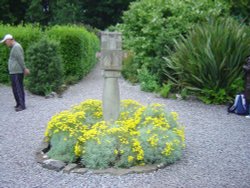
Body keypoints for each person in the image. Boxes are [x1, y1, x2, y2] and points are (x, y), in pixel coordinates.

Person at [0, 34, 27, 112]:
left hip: (17, 72)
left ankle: (22, 105)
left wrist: (24, 68)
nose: (5, 44)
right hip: (14, 72)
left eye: (5, 42)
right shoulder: (14, 47)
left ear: (9, 40)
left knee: (18, 88)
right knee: (15, 88)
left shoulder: (16, 47)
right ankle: (18, 103)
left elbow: (20, 59)